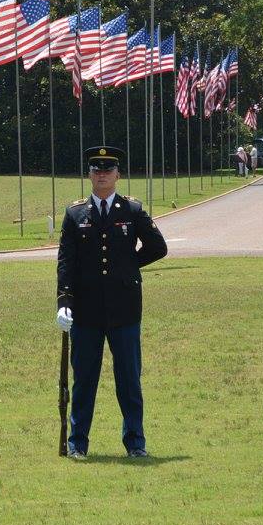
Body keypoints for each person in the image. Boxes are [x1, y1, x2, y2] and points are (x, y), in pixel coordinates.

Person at [56, 147, 168, 460]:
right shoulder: (75, 213)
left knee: (129, 379)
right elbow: (66, 261)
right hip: (87, 309)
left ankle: (135, 442)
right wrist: (64, 301)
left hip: (124, 307)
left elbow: (158, 247)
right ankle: (77, 442)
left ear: (118, 174)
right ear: (89, 174)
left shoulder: (131, 209)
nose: (102, 174)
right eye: (96, 168)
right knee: (84, 380)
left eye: (108, 169)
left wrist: (128, 265)